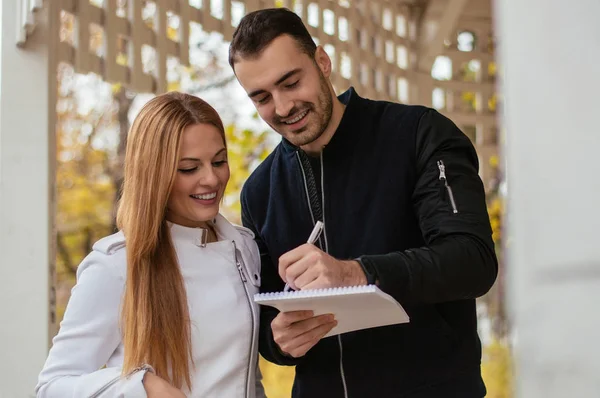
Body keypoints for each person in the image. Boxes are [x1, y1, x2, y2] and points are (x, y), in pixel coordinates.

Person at [228, 8, 498, 398]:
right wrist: (278, 341)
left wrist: (355, 273)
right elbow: (271, 321)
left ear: (322, 62)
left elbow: (472, 261)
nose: (283, 107)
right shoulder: (259, 190)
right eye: (262, 97)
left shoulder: (419, 134)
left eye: (290, 83)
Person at [36, 92, 265, 398]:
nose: (211, 179)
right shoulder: (116, 265)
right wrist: (141, 386)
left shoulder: (244, 248)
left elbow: (246, 377)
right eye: (189, 168)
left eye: (219, 161)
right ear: (154, 174)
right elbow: (52, 387)